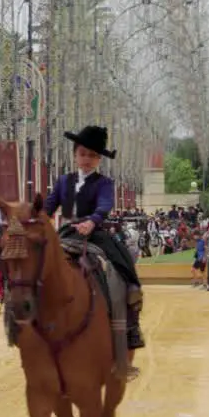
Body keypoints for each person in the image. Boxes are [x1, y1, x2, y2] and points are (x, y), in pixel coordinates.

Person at [42, 126, 145, 353]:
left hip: (95, 233)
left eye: (92, 155)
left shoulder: (104, 183)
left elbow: (105, 205)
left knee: (123, 260)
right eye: (82, 154)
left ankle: (131, 322)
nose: (86, 159)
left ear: (99, 159)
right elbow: (48, 207)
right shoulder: (62, 182)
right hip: (66, 233)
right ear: (75, 155)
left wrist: (93, 220)